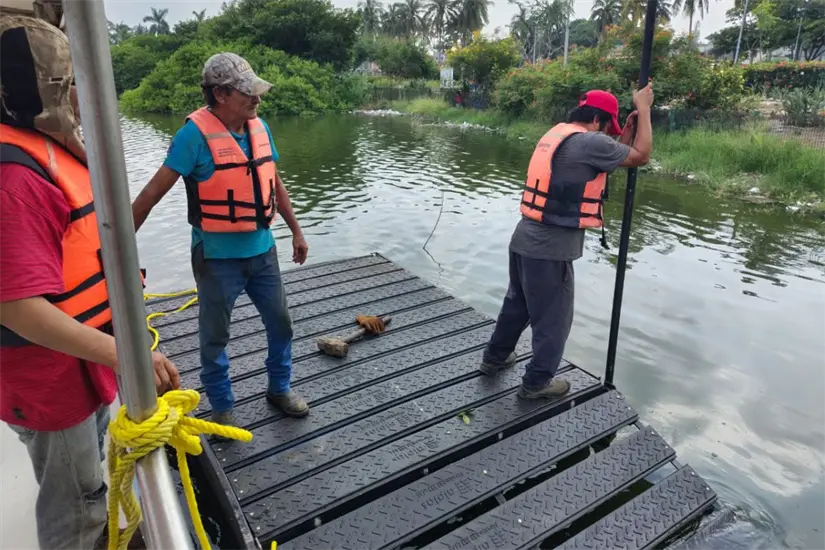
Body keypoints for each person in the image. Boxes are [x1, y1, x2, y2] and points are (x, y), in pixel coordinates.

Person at [0, 15, 180, 550]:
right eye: (73, 80)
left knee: (89, 485)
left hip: (84, 366)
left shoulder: (49, 150)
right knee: (75, 507)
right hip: (50, 381)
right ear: (46, 88)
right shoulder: (15, 177)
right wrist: (124, 354)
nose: (83, 94)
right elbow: (16, 307)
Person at [132, 52, 310, 427]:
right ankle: (223, 405)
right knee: (215, 337)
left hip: (263, 251)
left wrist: (296, 230)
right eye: (248, 93)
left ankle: (279, 387)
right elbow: (149, 196)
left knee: (281, 324)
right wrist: (116, 254)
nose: (257, 99)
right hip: (216, 258)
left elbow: (274, 181)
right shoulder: (192, 137)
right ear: (221, 94)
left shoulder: (258, 127)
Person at [479, 86, 654, 399]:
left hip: (524, 238)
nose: (608, 133)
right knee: (555, 318)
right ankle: (537, 383)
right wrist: (645, 108)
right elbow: (641, 157)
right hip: (550, 249)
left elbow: (607, 160)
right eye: (608, 126)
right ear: (598, 118)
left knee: (517, 305)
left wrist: (626, 132)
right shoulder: (591, 143)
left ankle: (494, 357)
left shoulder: (560, 134)